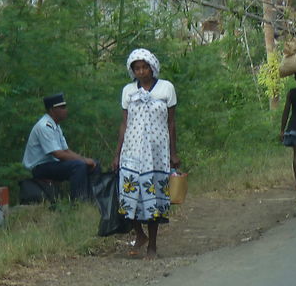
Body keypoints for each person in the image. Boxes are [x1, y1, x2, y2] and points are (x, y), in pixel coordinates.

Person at [112, 49, 179, 260]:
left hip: (157, 153)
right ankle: (139, 234)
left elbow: (171, 123)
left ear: (153, 67)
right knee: (130, 196)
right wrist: (117, 153)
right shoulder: (128, 91)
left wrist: (173, 153)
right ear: (132, 71)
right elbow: (124, 123)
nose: (141, 72)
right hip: (132, 152)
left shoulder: (166, 88)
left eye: (145, 67)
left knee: (154, 200)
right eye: (137, 68)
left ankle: (153, 246)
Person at [22, 93, 98, 201]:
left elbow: (66, 151)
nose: (65, 110)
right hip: (40, 167)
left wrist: (86, 161)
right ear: (52, 110)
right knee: (78, 166)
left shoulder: (55, 126)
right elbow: (58, 154)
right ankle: (78, 201)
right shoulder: (44, 126)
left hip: (52, 164)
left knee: (94, 165)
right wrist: (84, 160)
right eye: (62, 107)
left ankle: (94, 199)